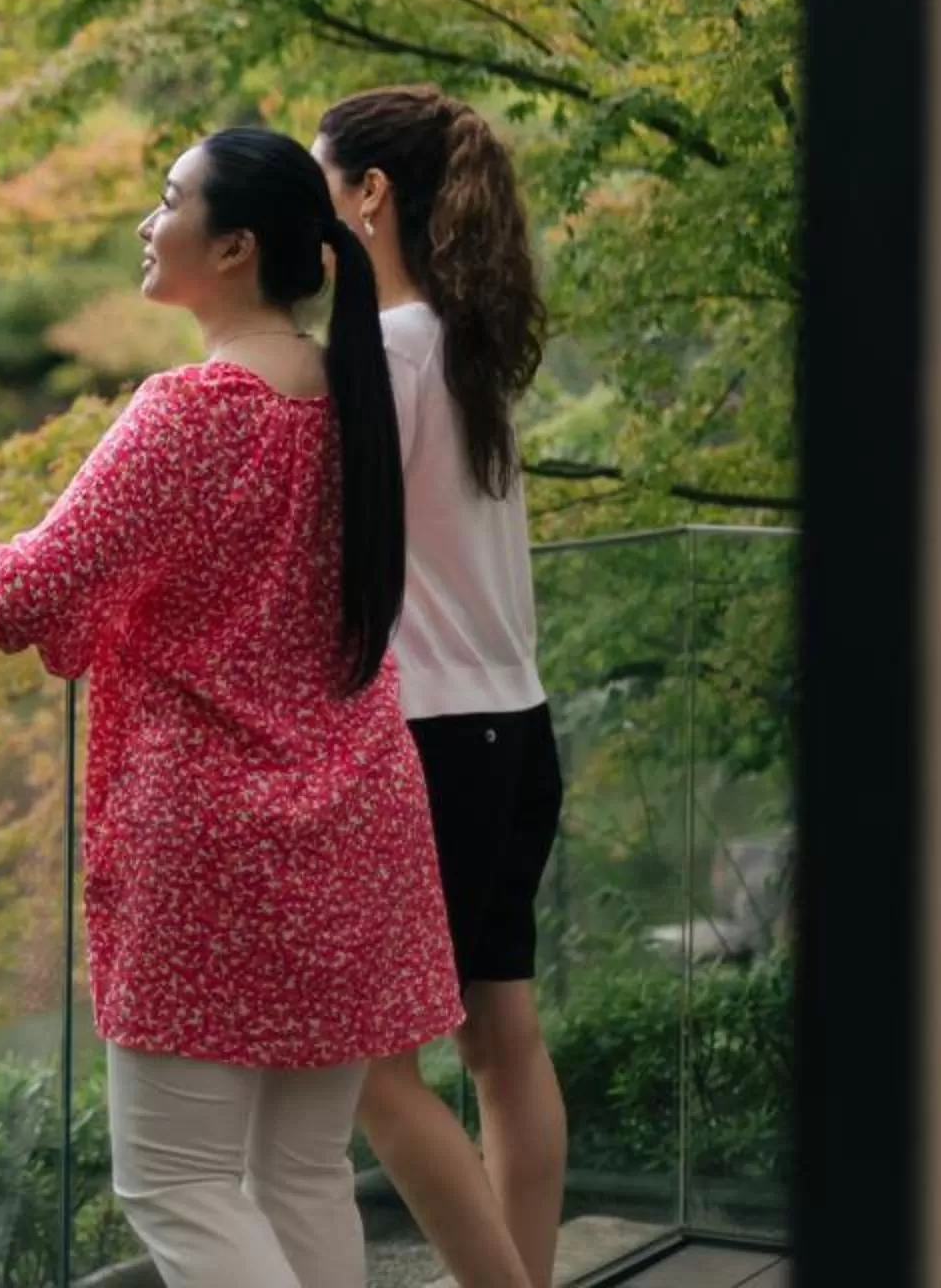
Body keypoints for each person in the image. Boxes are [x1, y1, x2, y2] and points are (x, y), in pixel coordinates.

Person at [0, 127, 460, 1288]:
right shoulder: (351, 402)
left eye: (167, 199)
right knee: (303, 1170)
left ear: (232, 247)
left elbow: (37, 587)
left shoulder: (193, 410)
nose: (146, 219)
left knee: (173, 1179)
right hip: (353, 822)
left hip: (212, 849)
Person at [315, 87, 562, 1288]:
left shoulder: (391, 349)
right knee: (504, 1041)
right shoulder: (467, 345)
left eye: (323, 183)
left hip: (433, 731)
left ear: (370, 195)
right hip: (517, 721)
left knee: (372, 1065)